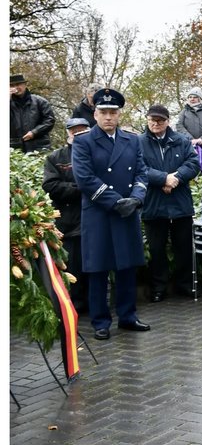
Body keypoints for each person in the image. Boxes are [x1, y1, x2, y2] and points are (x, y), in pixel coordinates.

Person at [70, 88, 150, 340]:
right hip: (99, 212)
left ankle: (127, 316)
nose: (108, 117)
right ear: (95, 114)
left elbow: (141, 171)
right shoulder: (83, 141)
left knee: (127, 266)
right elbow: (84, 179)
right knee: (98, 269)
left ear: (119, 114)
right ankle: (100, 321)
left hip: (127, 210)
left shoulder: (131, 140)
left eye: (113, 112)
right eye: (103, 112)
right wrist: (116, 201)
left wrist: (136, 198)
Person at [140, 104, 201, 302]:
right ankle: (159, 287)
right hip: (153, 203)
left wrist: (176, 179)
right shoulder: (138, 142)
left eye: (159, 120)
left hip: (180, 203)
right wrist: (163, 179)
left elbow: (193, 164)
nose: (155, 124)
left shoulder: (181, 141)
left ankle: (184, 285)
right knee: (157, 249)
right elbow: (138, 168)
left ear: (167, 121)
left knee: (183, 247)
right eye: (152, 120)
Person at [43, 118, 91, 313]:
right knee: (73, 265)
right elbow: (50, 185)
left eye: (82, 131)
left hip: (92, 218)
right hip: (69, 222)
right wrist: (82, 188)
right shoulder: (56, 157)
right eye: (74, 131)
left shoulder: (97, 155)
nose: (77, 134)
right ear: (68, 134)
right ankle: (76, 304)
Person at [10, 73, 56, 153]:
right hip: (15, 150)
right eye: (12, 85)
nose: (15, 88)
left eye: (18, 84)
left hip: (39, 147)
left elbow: (49, 120)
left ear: (24, 85)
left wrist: (35, 132)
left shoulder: (40, 102)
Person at [176, 87, 202, 174]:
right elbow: (179, 126)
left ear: (200, 98)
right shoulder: (184, 112)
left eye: (194, 97)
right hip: (188, 146)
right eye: (190, 97)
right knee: (189, 170)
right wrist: (191, 139)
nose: (192, 99)